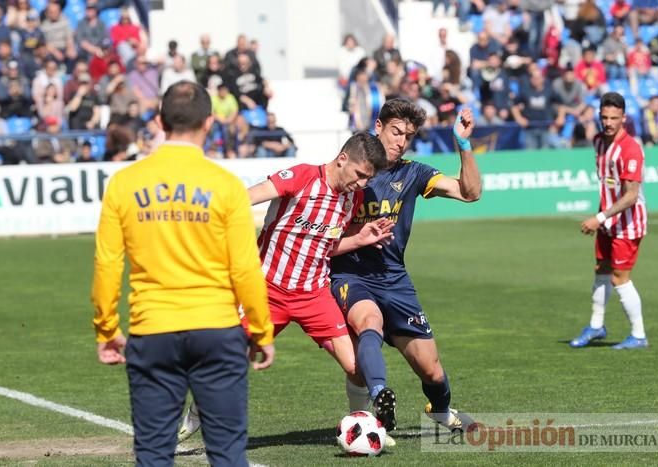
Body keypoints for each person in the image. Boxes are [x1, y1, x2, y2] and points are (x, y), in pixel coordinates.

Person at [91, 80, 275, 467]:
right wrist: (260, 330)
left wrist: (107, 329)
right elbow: (244, 267)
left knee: (154, 454)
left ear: (159, 121)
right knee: (227, 454)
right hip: (217, 331)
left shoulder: (124, 183)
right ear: (209, 123)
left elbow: (108, 265)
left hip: (152, 329)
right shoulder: (225, 185)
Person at [177, 131, 394, 445]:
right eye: (360, 175)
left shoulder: (354, 197)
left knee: (356, 367)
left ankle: (361, 426)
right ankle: (194, 416)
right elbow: (244, 198)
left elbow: (322, 246)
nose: (362, 183)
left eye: (368, 178)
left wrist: (359, 239)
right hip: (267, 291)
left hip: (315, 295)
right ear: (342, 158)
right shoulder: (302, 177)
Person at [329, 99, 481, 434]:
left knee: (433, 372)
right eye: (396, 131)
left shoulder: (413, 173)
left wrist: (463, 144)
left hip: (394, 280)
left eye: (408, 136)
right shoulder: (351, 170)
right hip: (350, 275)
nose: (401, 141)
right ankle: (374, 405)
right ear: (379, 127)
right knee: (369, 322)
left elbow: (470, 193)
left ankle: (440, 412)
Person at [570, 92, 649, 350]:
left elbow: (631, 195)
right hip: (606, 221)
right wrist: (601, 218)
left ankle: (638, 335)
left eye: (614, 118)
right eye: (604, 117)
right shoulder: (598, 142)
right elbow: (607, 186)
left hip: (627, 223)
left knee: (619, 278)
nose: (608, 123)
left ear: (624, 117)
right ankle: (596, 326)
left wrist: (599, 217)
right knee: (601, 270)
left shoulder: (631, 149)